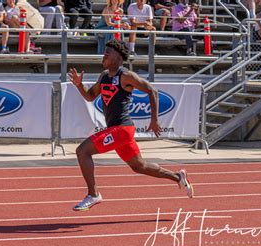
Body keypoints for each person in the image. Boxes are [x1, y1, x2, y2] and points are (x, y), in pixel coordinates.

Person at [68, 39, 193, 211]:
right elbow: (90, 97)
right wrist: (79, 85)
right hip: (117, 130)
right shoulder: (104, 76)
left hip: (122, 129)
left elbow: (152, 90)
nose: (104, 55)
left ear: (119, 58)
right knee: (139, 166)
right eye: (104, 52)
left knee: (82, 151)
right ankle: (178, 176)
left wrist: (154, 120)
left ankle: (93, 194)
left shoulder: (125, 76)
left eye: (108, 53)